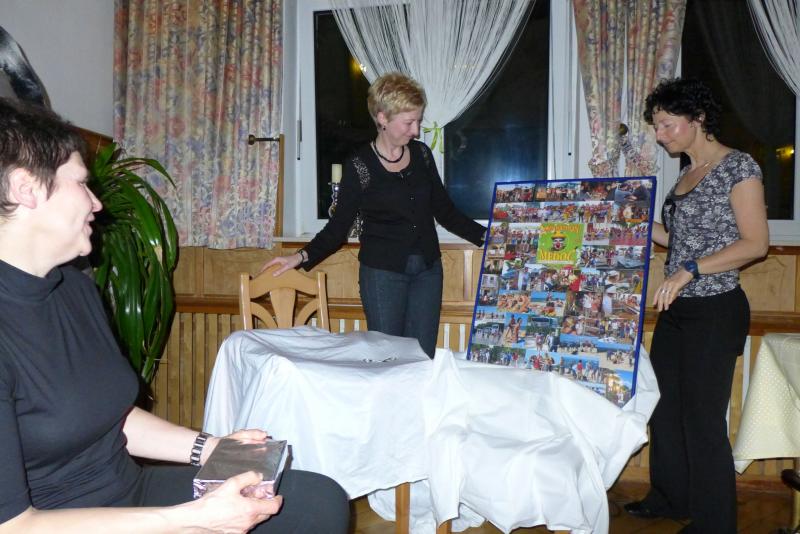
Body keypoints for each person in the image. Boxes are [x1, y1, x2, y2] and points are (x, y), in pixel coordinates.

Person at [0, 98, 349, 533]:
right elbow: (13, 526)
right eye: (82, 184)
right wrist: (191, 519)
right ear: (26, 188)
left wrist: (212, 448)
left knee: (319, 501)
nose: (96, 203)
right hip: (61, 523)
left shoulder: (74, 288)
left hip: (129, 493)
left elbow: (108, 418)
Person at [622, 78, 769, 533]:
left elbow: (755, 243)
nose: (660, 134)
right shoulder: (686, 173)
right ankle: (671, 497)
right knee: (664, 408)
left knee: (702, 420)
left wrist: (689, 270)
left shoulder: (738, 167)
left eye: (667, 124)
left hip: (716, 308)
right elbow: (679, 239)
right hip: (679, 310)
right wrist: (636, 225)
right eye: (657, 126)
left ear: (698, 119)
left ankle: (714, 523)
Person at [264, 72, 486, 358]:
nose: (416, 131)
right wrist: (299, 257)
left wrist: (490, 238)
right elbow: (338, 228)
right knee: (388, 360)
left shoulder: (422, 155)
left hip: (428, 273)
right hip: (383, 276)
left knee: (423, 359)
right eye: (409, 122)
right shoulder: (360, 166)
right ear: (383, 118)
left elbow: (445, 212)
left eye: (418, 121)